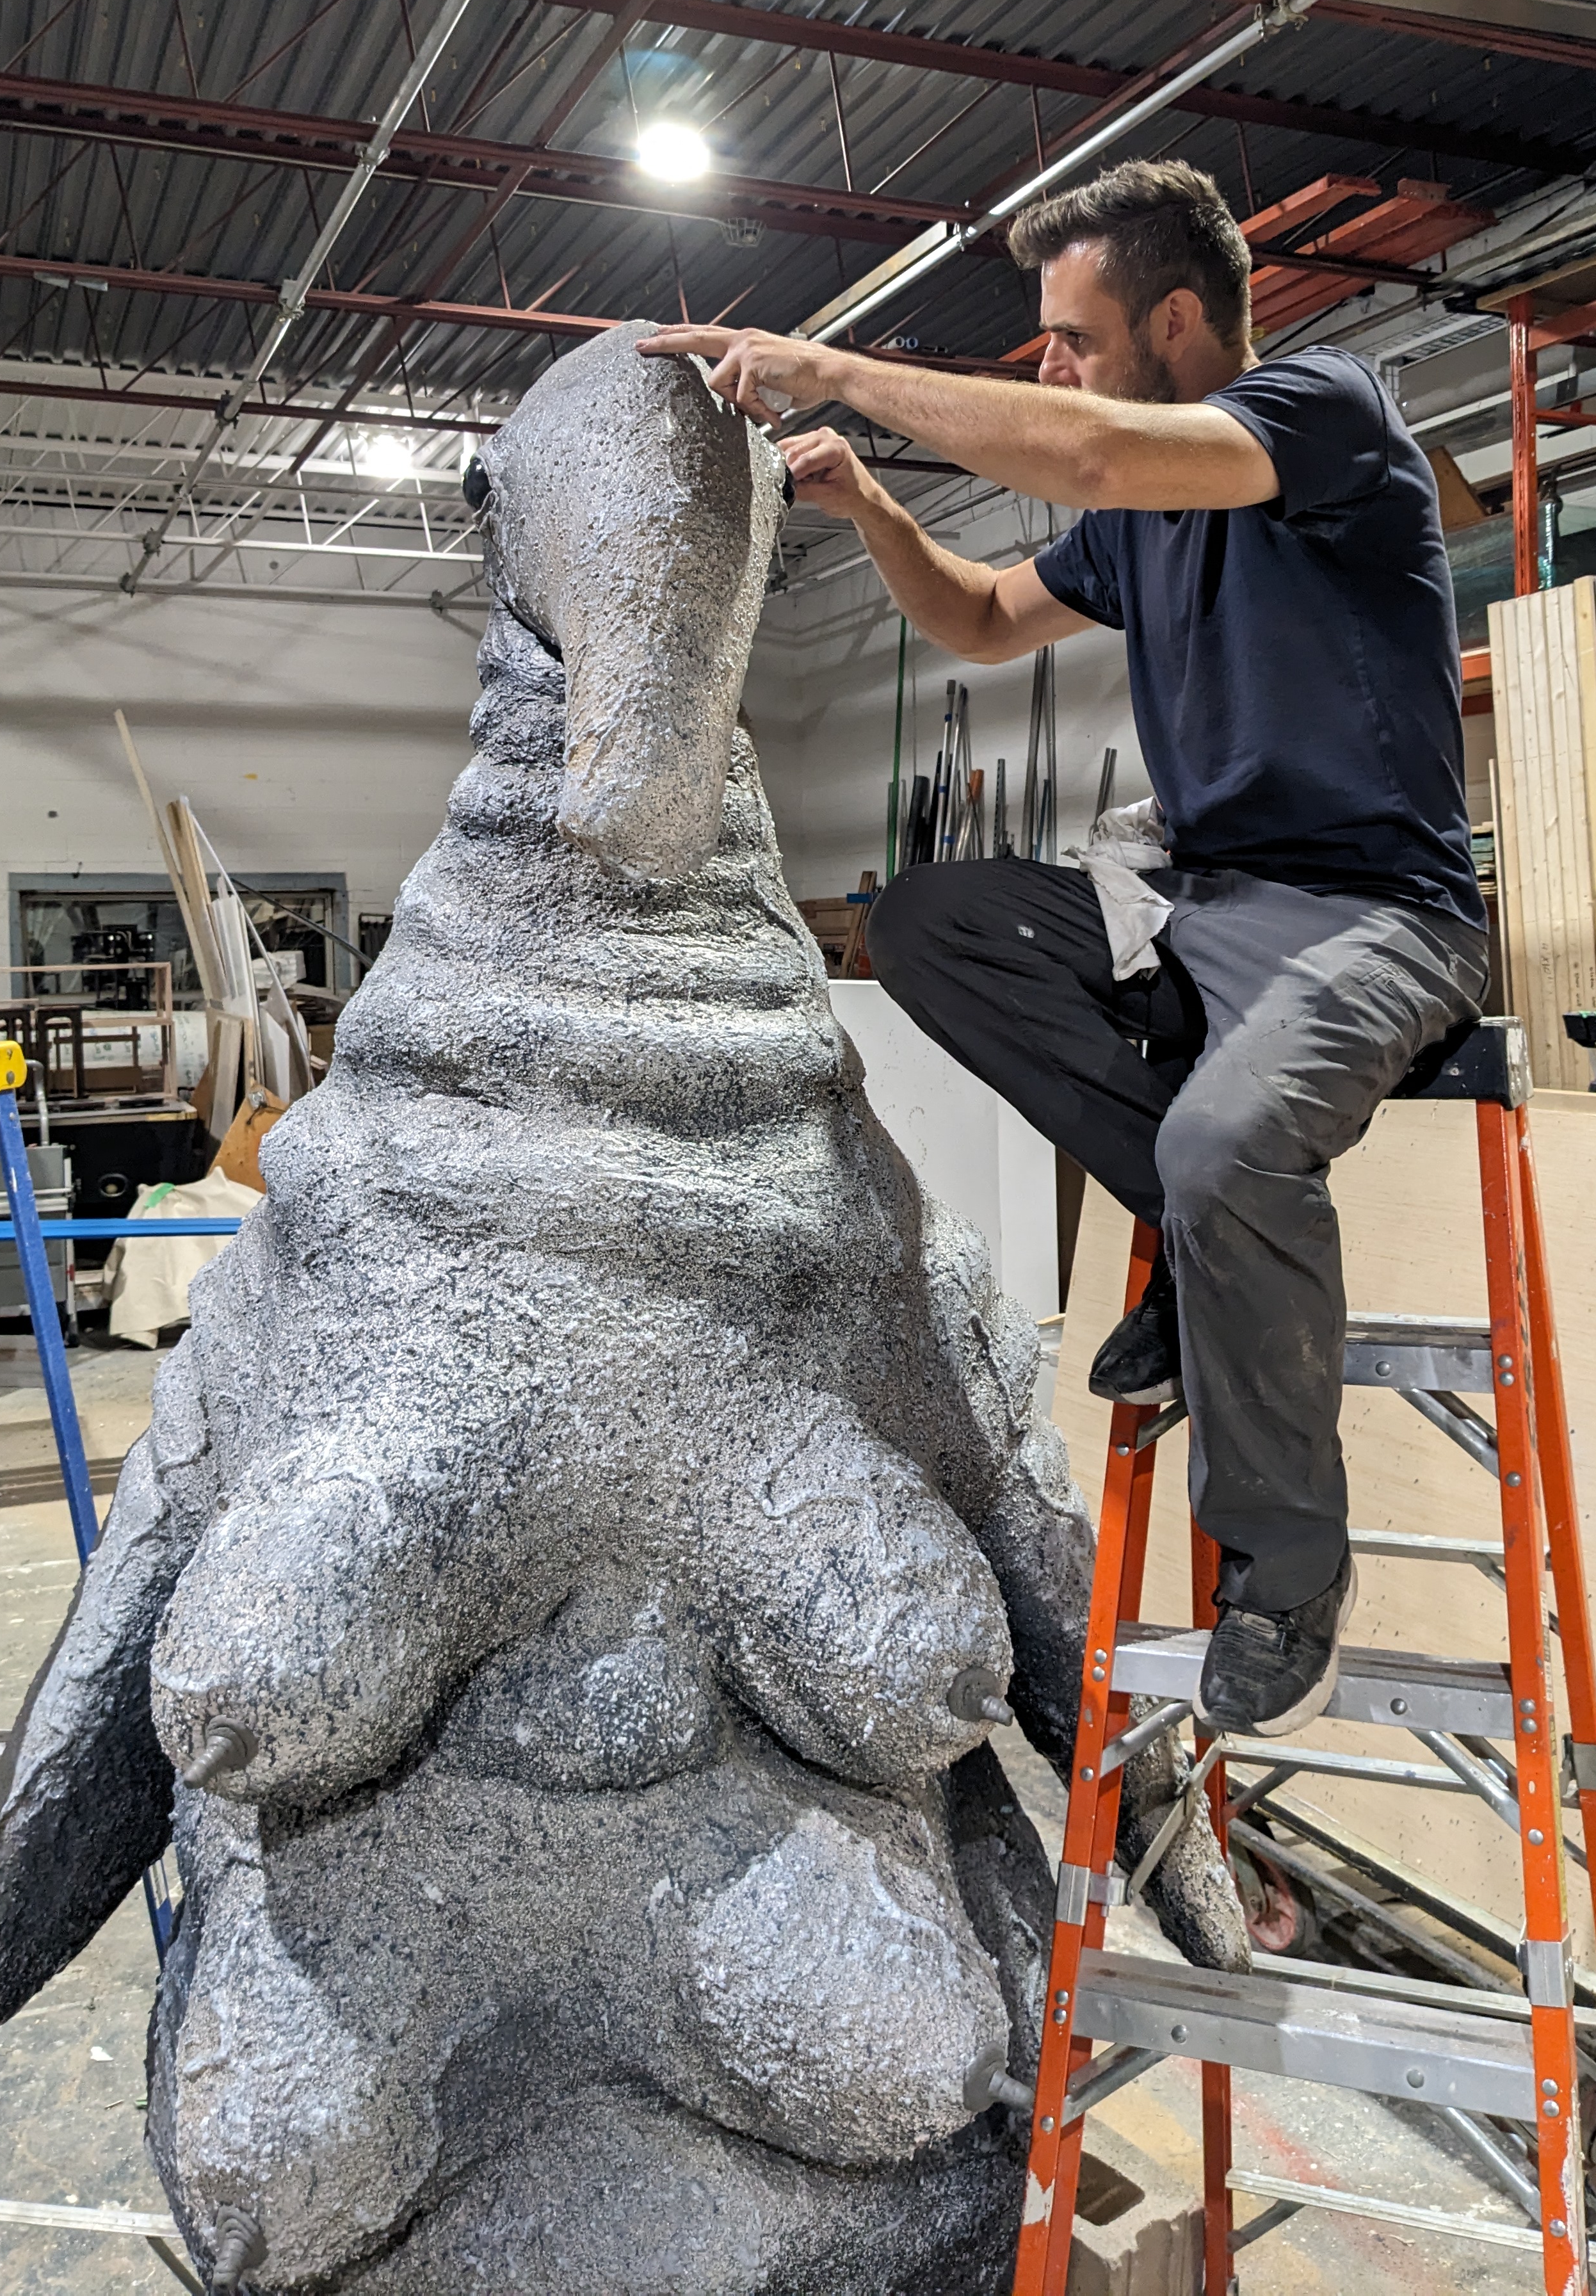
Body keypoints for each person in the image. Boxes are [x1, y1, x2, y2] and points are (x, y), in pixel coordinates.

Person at [637, 157, 1487, 1737]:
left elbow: (1096, 446)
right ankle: (1204, 1251)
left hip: (1379, 913)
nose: (1053, 366)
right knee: (926, 921)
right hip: (1198, 901)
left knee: (1227, 1149)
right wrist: (874, 506)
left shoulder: (1328, 414)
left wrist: (838, 370)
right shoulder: (1130, 520)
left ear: (1178, 324)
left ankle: (1287, 1573)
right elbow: (976, 617)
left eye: (1076, 336)